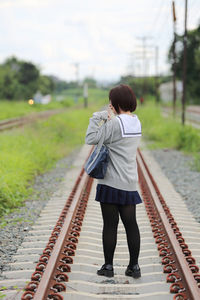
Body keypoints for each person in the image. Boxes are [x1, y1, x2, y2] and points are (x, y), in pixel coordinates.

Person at [85, 84, 142, 279]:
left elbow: (91, 138)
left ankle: (108, 267)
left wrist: (98, 116)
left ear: (115, 102)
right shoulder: (136, 121)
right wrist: (111, 118)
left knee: (110, 225)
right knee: (131, 225)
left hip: (110, 182)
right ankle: (134, 267)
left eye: (111, 101)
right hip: (129, 182)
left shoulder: (114, 124)